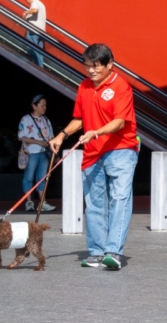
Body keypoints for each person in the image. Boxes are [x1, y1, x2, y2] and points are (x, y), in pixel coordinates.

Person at [49, 43, 138, 271]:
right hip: (92, 153)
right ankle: (97, 252)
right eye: (88, 66)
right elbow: (79, 119)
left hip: (121, 149)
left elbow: (120, 121)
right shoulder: (84, 87)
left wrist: (97, 131)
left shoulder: (121, 87)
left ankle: (113, 252)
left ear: (110, 64)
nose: (91, 71)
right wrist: (62, 135)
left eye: (96, 66)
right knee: (95, 203)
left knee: (119, 198)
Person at [17, 94, 56, 212]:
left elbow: (51, 137)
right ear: (34, 106)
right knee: (28, 177)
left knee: (42, 177)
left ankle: (42, 202)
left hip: (44, 153)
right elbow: (20, 137)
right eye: (42, 105)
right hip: (31, 152)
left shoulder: (46, 120)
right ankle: (29, 202)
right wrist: (38, 142)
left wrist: (54, 152)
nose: (44, 107)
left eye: (45, 105)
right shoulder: (26, 119)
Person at [22, 0, 47, 68]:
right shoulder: (41, 4)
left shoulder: (34, 3)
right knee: (39, 51)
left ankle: (35, 67)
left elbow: (35, 10)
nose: (25, 0)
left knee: (31, 48)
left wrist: (26, 12)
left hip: (34, 30)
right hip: (41, 31)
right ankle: (39, 68)